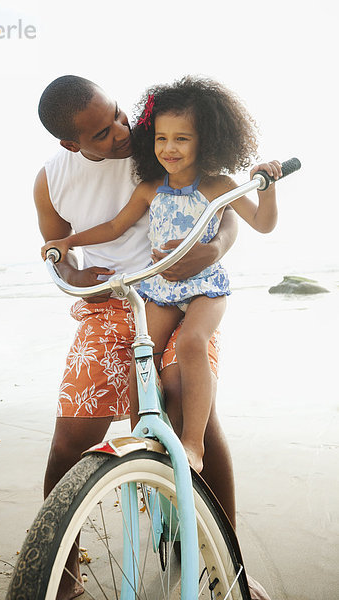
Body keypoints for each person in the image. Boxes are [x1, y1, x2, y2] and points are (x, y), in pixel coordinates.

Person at [35, 75, 270, 600]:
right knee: (71, 437)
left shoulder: (154, 138)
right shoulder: (51, 179)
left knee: (188, 403)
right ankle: (61, 575)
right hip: (111, 303)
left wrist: (216, 250)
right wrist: (77, 279)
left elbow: (221, 203)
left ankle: (226, 561)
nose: (120, 132)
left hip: (181, 289)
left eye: (119, 115)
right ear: (71, 144)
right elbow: (58, 251)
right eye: (100, 133)